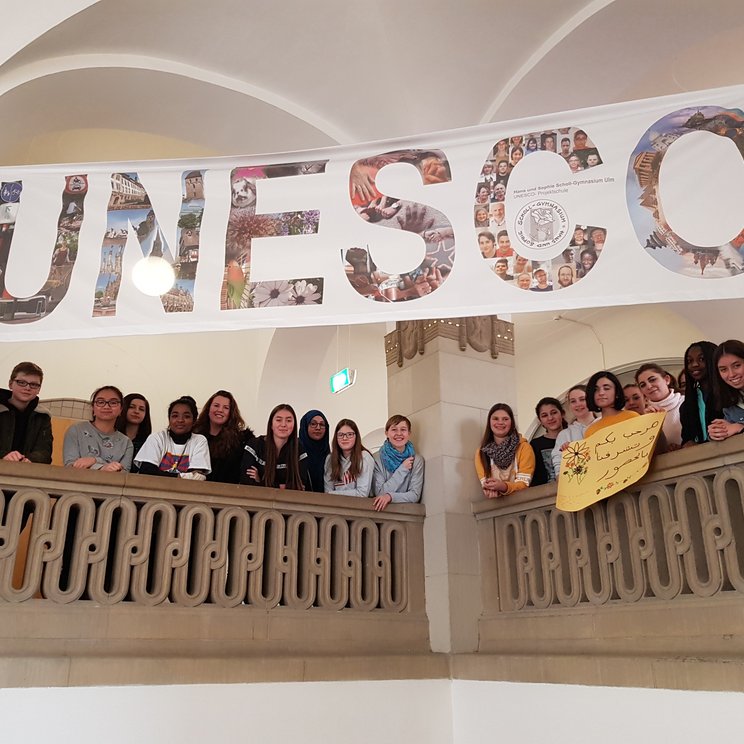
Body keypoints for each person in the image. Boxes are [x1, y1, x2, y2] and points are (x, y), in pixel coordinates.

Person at [135, 395, 210, 479]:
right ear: (169, 419)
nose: (180, 420)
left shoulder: (199, 441)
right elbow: (146, 471)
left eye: (186, 416)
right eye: (175, 416)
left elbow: (196, 477)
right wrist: (180, 476)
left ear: (194, 420)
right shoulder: (157, 438)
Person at [63, 385, 133, 471]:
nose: (106, 406)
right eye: (100, 402)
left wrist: (94, 461)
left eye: (113, 402)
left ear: (121, 409)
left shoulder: (126, 443)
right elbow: (70, 465)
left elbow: (124, 475)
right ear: (93, 407)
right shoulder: (76, 430)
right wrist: (101, 466)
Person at [241, 403, 310, 489]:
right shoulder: (254, 445)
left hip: (287, 501)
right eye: (278, 420)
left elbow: (300, 486)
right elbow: (246, 483)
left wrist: (259, 481)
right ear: (271, 424)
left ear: (294, 425)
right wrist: (282, 486)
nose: (283, 424)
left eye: (288, 421)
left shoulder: (299, 448)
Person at [475, 403, 534, 498]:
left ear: (512, 423)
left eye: (505, 419)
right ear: (489, 422)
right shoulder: (481, 453)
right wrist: (490, 489)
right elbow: (486, 486)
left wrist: (503, 487)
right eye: (495, 419)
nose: (500, 422)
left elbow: (524, 483)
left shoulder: (524, 448)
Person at [193, 390, 253, 483]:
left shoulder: (242, 440)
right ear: (209, 408)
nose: (220, 410)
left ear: (231, 412)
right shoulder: (194, 435)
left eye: (226, 407)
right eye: (216, 405)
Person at [0, 361, 52, 463]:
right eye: (22, 383)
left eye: (33, 384)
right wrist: (4, 456)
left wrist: (30, 459)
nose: (27, 388)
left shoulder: (43, 416)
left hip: (26, 471)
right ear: (10, 384)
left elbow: (45, 452)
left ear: (39, 389)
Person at [372, 414, 424, 511]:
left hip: (406, 513)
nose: (399, 433)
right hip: (382, 513)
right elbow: (380, 493)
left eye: (403, 429)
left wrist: (390, 497)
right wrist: (403, 469)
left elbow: (415, 495)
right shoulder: (376, 458)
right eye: (394, 429)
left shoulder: (417, 461)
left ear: (409, 433)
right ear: (386, 433)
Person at [680, 341, 721, 446]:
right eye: (689, 361)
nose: (694, 364)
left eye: (701, 359)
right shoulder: (686, 406)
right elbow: (687, 438)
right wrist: (687, 443)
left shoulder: (729, 395)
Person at [635, 363, 685, 449]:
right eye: (643, 385)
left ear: (667, 379)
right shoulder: (644, 417)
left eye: (652, 380)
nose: (649, 386)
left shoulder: (686, 401)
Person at [551, 385, 597, 477]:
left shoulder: (604, 424)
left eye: (582, 399)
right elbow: (559, 468)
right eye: (573, 401)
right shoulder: (564, 435)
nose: (578, 404)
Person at [324, 419, 374, 497]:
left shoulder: (364, 457)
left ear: (356, 436)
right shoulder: (330, 459)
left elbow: (362, 494)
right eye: (340, 435)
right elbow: (327, 492)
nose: (344, 438)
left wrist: (333, 494)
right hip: (335, 507)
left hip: (359, 507)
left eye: (350, 434)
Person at [584, 371, 639, 438]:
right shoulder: (590, 431)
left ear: (617, 393)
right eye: (596, 389)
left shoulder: (632, 417)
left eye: (606, 388)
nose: (601, 393)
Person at [709, 340, 744, 440]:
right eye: (723, 369)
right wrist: (717, 432)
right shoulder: (730, 405)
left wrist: (740, 427)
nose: (731, 374)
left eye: (737, 365)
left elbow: (737, 428)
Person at [530, 397, 567, 486]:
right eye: (544, 415)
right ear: (540, 421)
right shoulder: (535, 445)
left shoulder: (573, 435)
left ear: (562, 414)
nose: (550, 418)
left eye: (554, 413)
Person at [115, 393, 152, 468]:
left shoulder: (149, 442)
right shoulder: (112, 436)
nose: (136, 411)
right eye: (132, 407)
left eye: (141, 409)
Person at [299, 409, 330, 492]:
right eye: (313, 424)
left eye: (322, 425)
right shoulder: (295, 451)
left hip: (325, 501)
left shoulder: (329, 454)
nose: (318, 428)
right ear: (305, 426)